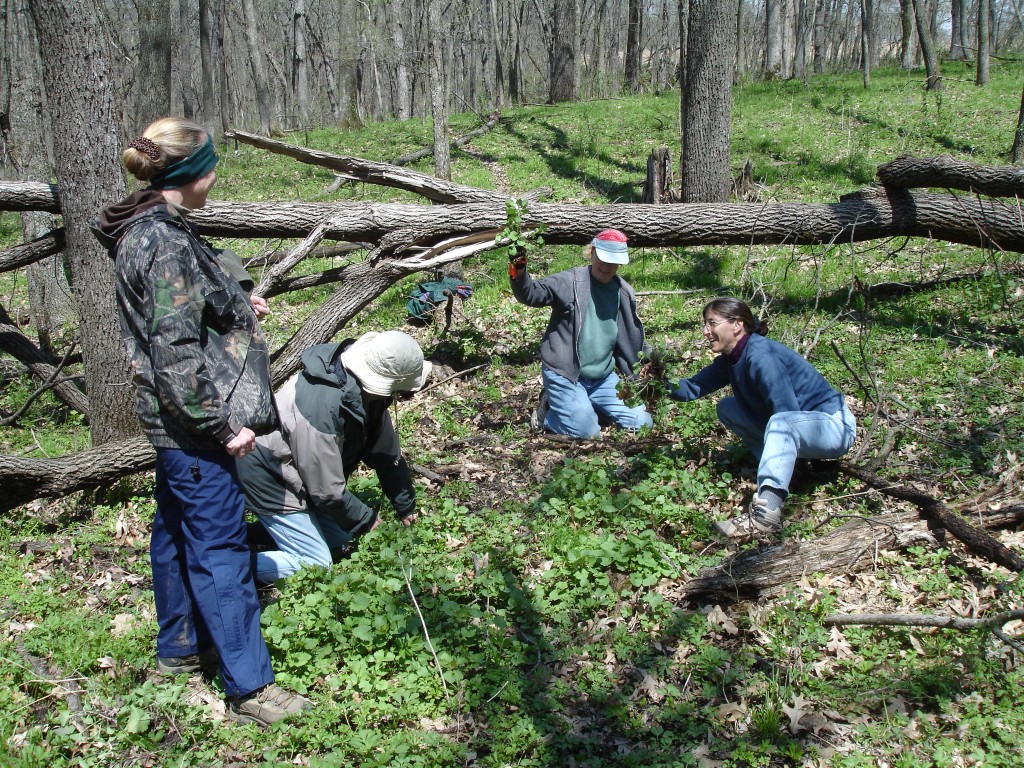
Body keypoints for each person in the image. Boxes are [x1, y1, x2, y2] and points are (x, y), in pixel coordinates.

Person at [93, 116, 308, 728]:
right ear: (188, 175)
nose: (215, 175)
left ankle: (179, 649)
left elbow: (182, 317)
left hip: (173, 426)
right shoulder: (162, 243)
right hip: (193, 427)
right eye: (209, 165)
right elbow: (176, 354)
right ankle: (250, 688)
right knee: (219, 551)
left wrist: (239, 306)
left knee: (172, 532)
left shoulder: (148, 227)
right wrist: (220, 426)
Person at [237, 331, 430, 582]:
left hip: (302, 473)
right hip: (270, 472)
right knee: (316, 564)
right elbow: (327, 491)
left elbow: (385, 453)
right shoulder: (323, 406)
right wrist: (367, 520)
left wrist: (405, 505)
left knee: (340, 536)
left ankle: (250, 536)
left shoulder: (367, 395)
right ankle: (221, 565)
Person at [667, 297, 856, 539]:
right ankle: (793, 471)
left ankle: (766, 514)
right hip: (802, 426)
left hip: (834, 426)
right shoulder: (732, 357)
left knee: (781, 422)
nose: (706, 331)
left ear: (737, 325)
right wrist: (658, 380)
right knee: (728, 407)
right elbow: (691, 388)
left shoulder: (760, 356)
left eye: (712, 323)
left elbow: (787, 413)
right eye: (705, 324)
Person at [509, 229, 653, 439]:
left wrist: (651, 358)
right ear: (592, 252)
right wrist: (518, 267)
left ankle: (583, 408)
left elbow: (631, 337)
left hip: (603, 378)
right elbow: (530, 294)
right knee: (588, 433)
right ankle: (548, 414)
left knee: (643, 423)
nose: (606, 267)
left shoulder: (623, 292)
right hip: (566, 375)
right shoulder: (570, 282)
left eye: (612, 262)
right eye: (602, 259)